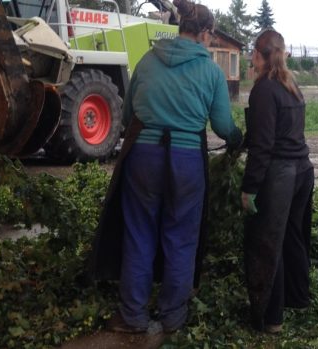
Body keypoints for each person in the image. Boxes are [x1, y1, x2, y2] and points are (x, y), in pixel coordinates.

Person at [87, 0, 242, 334]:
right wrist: (238, 138)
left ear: (178, 27)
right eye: (210, 34)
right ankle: (172, 317)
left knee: (140, 233)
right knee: (181, 237)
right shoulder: (211, 71)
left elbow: (128, 116)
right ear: (204, 32)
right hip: (186, 161)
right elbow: (222, 125)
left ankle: (133, 317)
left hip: (143, 156)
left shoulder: (147, 60)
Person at [241, 29, 314, 334]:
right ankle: (298, 298)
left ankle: (272, 318)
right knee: (293, 236)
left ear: (258, 55)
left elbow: (263, 146)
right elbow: (280, 130)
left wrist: (249, 188)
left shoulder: (263, 90)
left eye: (252, 54)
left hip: (280, 175)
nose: (251, 59)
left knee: (267, 244)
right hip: (303, 171)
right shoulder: (291, 84)